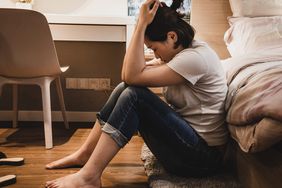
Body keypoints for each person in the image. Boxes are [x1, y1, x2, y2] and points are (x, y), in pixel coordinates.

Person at [45, 0, 229, 187]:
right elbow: (128, 76)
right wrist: (140, 25)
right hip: (189, 147)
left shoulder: (194, 59)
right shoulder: (180, 54)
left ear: (172, 37)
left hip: (203, 159)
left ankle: (89, 177)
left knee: (134, 95)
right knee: (124, 90)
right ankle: (85, 154)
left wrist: (141, 24)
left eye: (154, 49)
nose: (156, 56)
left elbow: (131, 76)